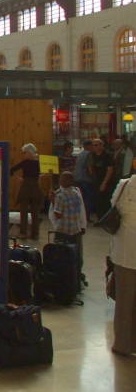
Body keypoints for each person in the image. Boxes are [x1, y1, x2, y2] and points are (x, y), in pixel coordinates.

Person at [109, 172, 136, 356]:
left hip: (124, 252)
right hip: (126, 252)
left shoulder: (124, 185)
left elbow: (113, 205)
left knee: (124, 301)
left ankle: (123, 344)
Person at [50, 171, 87, 271]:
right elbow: (81, 210)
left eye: (62, 179)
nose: (60, 180)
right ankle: (76, 275)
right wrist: (83, 225)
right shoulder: (76, 193)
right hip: (76, 230)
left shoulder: (60, 195)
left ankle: (63, 275)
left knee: (61, 255)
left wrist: (53, 200)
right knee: (76, 255)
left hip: (63, 231)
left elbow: (58, 214)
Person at [10, 143, 43, 240]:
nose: (23, 154)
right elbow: (42, 174)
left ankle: (23, 232)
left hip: (26, 187)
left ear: (29, 152)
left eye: (24, 152)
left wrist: (18, 178)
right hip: (35, 187)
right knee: (35, 212)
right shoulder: (39, 163)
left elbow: (12, 170)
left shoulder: (25, 163)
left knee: (23, 211)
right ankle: (35, 233)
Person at [89, 138, 115, 220]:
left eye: (98, 145)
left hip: (106, 181)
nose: (96, 147)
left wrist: (104, 183)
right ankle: (99, 218)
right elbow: (90, 166)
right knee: (97, 200)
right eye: (94, 145)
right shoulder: (92, 155)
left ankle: (106, 219)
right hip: (96, 181)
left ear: (102, 145)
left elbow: (110, 170)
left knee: (105, 201)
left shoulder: (107, 155)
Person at [74, 140, 95, 219]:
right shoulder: (89, 154)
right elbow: (90, 168)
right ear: (88, 146)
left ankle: (81, 216)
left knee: (81, 198)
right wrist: (93, 176)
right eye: (92, 146)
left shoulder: (80, 154)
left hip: (78, 178)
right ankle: (86, 216)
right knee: (88, 198)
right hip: (86, 179)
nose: (93, 147)